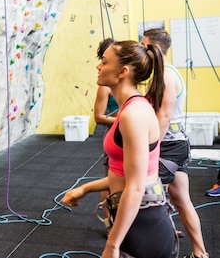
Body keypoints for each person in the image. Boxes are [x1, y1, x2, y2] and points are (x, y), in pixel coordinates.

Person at [62, 40, 177, 258]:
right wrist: (85, 189)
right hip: (134, 218)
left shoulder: (133, 114)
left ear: (123, 71)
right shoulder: (129, 109)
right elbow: (122, 175)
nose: (98, 66)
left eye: (104, 62)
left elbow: (135, 187)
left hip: (143, 223)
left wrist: (112, 245)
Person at [142, 28, 209, 258]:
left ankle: (159, 243)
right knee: (181, 200)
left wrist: (150, 148)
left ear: (156, 49)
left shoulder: (166, 76)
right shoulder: (163, 73)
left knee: (145, 197)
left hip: (169, 146)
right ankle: (200, 253)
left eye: (145, 46)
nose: (143, 50)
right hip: (174, 145)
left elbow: (164, 116)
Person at [92, 38, 118, 234]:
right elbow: (99, 117)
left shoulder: (127, 81)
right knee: (110, 180)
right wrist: (121, 120)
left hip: (129, 133)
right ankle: (109, 222)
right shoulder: (105, 87)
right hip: (115, 135)